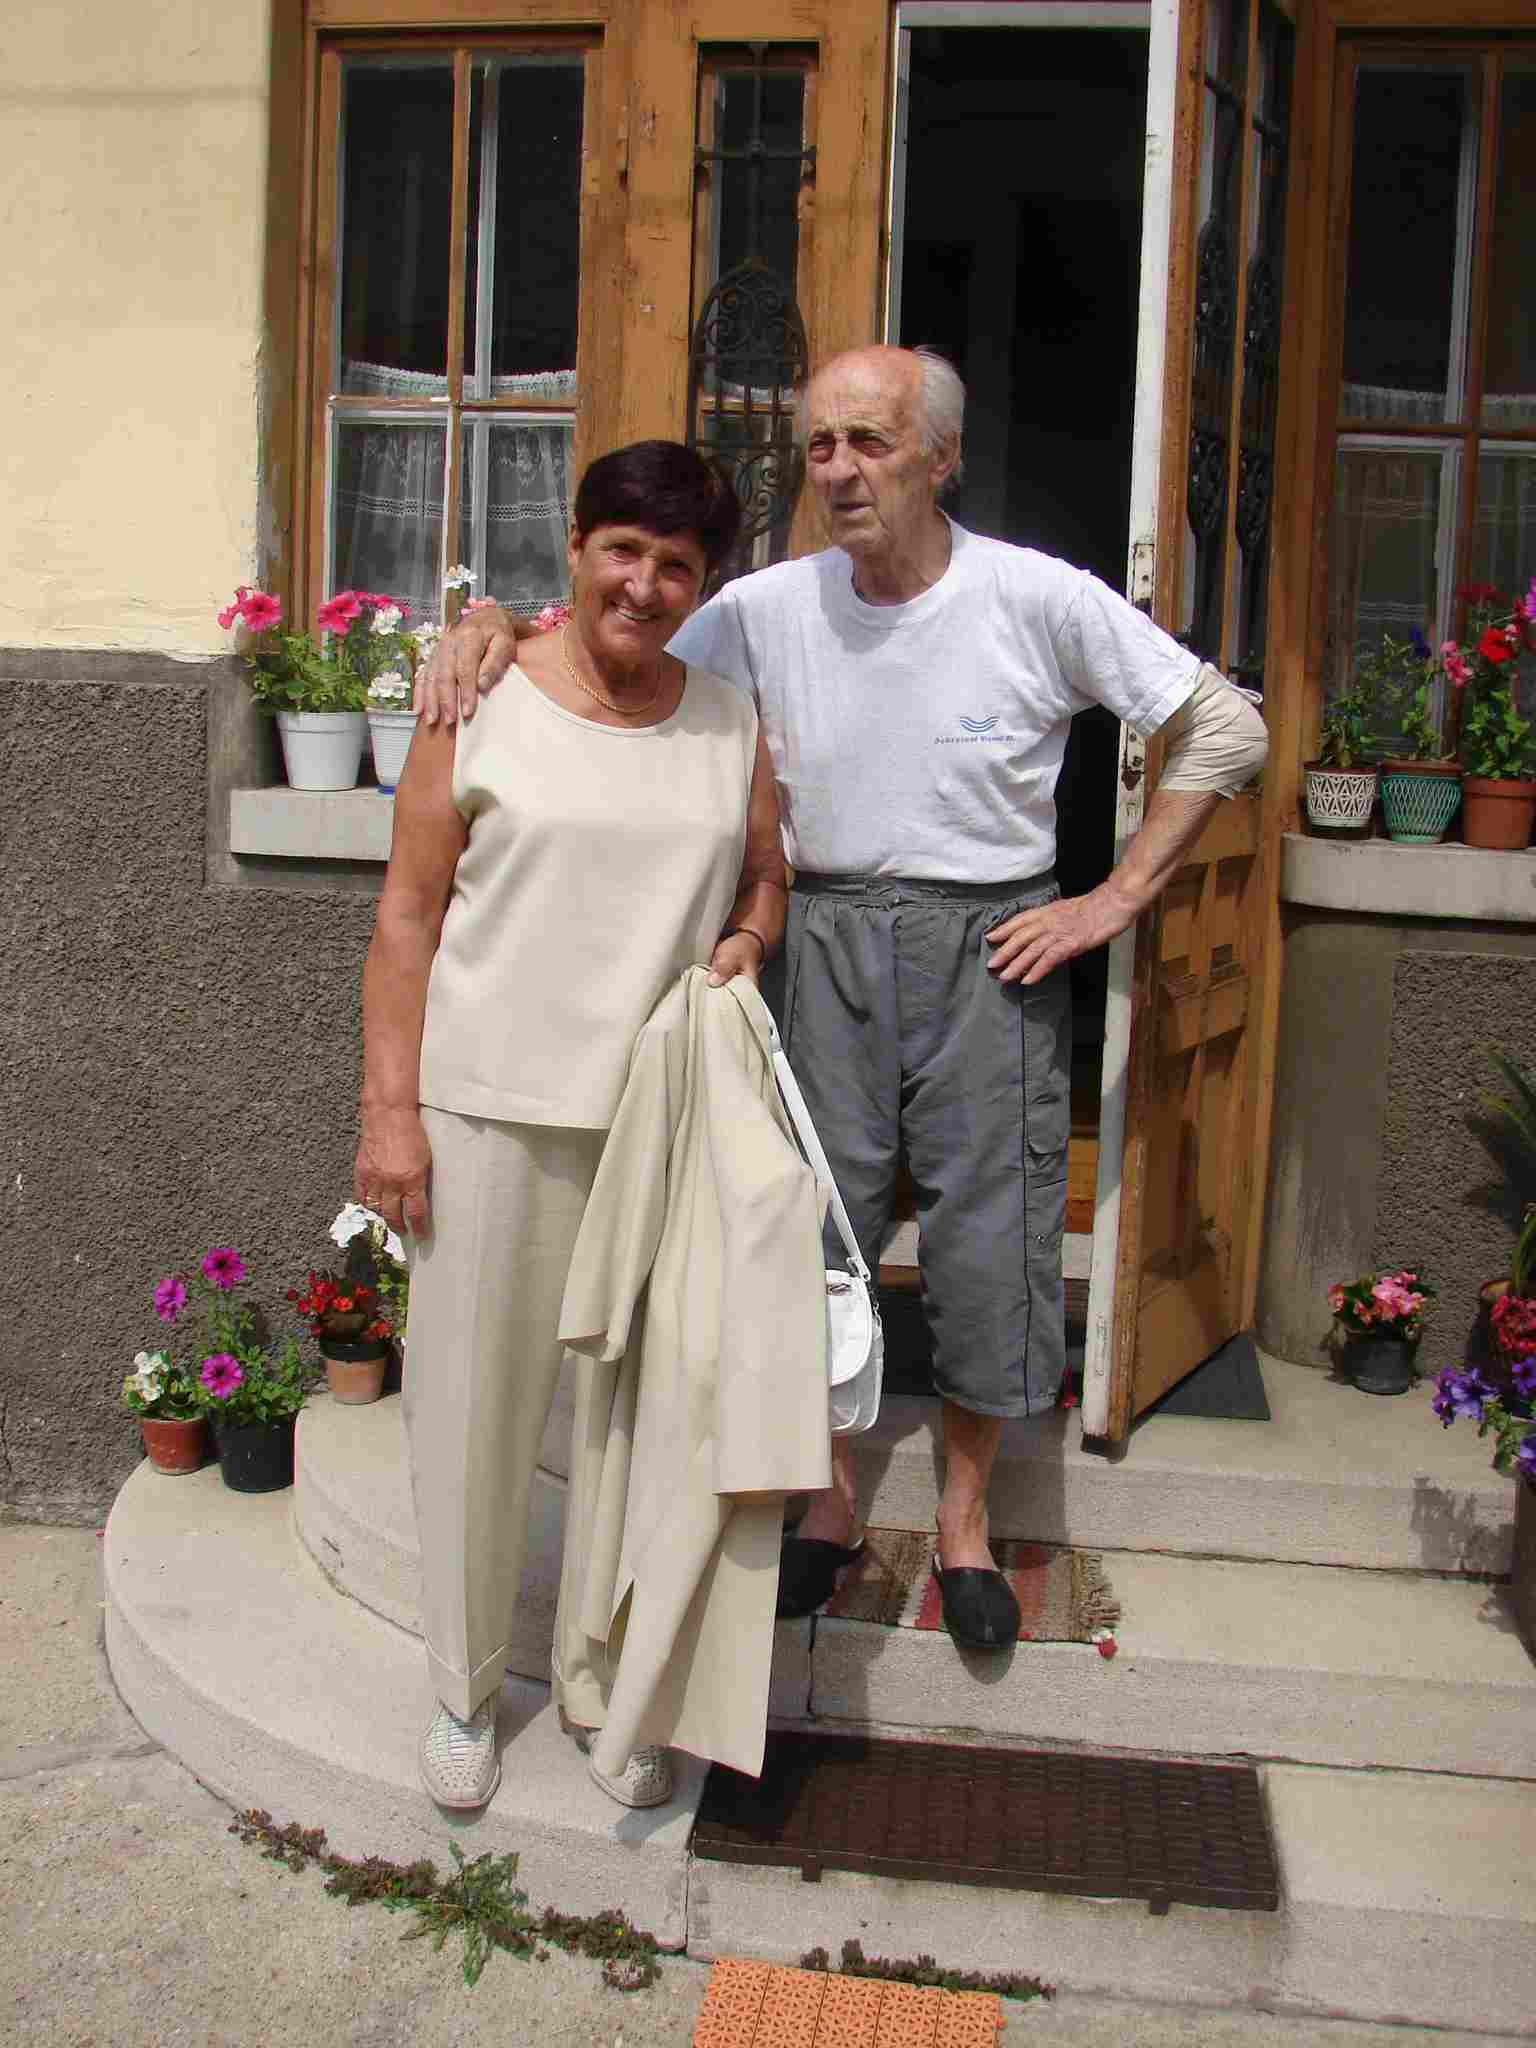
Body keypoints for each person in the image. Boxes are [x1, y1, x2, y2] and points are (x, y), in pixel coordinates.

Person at [419, 345, 1269, 1657]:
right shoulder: (766, 607)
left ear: (941, 459)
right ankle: (825, 1504)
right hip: (816, 937)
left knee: (994, 1236)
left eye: (870, 441)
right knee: (812, 1235)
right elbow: (610, 638)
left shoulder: (1035, 596)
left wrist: (1114, 900)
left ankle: (969, 1525)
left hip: (989, 947)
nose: (839, 469)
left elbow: (1225, 727)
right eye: (820, 445)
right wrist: (484, 630)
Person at [355, 439, 787, 1813]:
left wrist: (747, 943)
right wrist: (390, 1114)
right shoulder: (476, 702)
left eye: (677, 566)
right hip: (487, 1114)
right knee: (472, 1422)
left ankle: (612, 1688)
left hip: (656, 1128)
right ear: (579, 551)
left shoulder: (730, 724)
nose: (644, 587)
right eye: (623, 552)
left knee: (639, 1427)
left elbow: (766, 881)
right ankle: (463, 1692)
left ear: (703, 585)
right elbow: (406, 918)